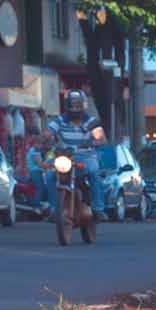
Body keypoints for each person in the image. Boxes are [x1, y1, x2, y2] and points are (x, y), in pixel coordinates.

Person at [46, 90, 107, 218]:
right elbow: (48, 132)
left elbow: (101, 138)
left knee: (94, 173)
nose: (75, 108)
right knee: (50, 174)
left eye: (77, 105)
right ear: (67, 105)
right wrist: (46, 138)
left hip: (86, 156)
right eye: (72, 105)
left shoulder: (91, 121)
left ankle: (98, 208)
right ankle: (53, 208)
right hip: (64, 156)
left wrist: (94, 142)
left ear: (83, 105)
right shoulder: (60, 120)